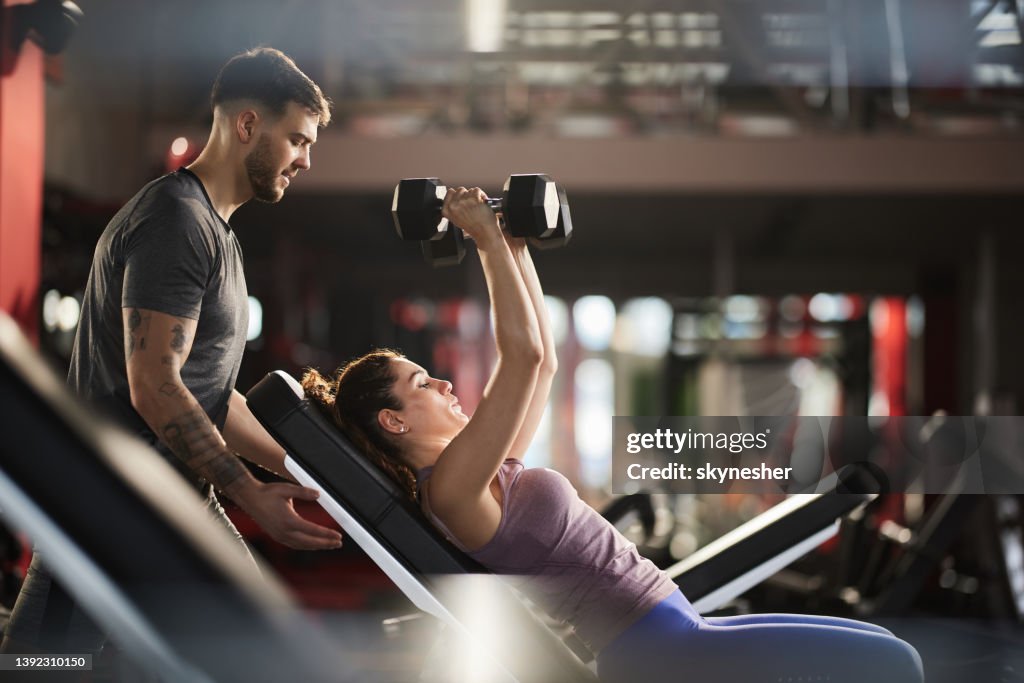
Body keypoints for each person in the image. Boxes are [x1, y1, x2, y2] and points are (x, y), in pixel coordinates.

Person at [302, 188, 925, 683]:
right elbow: (516, 360)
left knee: (887, 649)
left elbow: (541, 361)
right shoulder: (453, 491)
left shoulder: (483, 469)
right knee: (898, 667)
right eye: (421, 383)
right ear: (394, 421)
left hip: (674, 630)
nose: (441, 382)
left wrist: (515, 247)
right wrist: (485, 239)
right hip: (659, 651)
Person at [1, 47, 343, 657]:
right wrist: (247, 490)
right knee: (38, 666)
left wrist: (319, 477)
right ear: (246, 125)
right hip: (112, 510)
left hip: (179, 500)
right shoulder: (176, 221)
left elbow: (211, 395)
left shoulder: (219, 235)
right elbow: (156, 383)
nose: (306, 159)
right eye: (297, 139)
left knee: (257, 653)